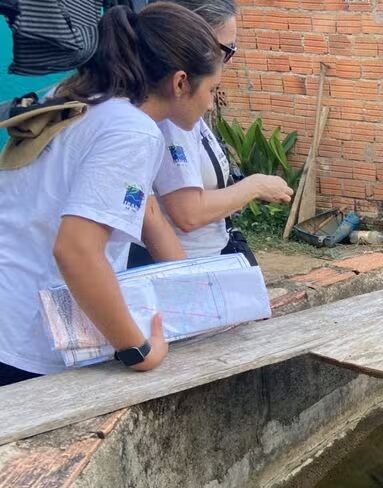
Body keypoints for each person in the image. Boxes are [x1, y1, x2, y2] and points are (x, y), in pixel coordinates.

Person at [0, 3, 224, 386]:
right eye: (212, 89)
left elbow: (146, 212)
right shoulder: (132, 132)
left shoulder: (82, 100)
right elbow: (77, 250)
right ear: (181, 82)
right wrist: (136, 350)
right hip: (29, 340)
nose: (210, 103)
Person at [127, 0, 293, 268]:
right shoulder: (166, 119)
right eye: (226, 51)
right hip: (175, 263)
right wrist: (254, 186)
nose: (209, 104)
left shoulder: (169, 113)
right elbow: (186, 213)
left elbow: (150, 212)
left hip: (197, 259)